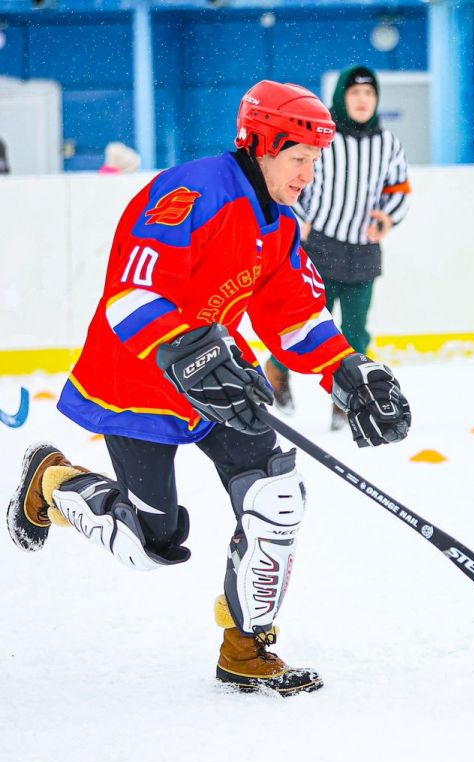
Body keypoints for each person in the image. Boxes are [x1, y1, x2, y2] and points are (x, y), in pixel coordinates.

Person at [6, 80, 411, 697]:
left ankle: (245, 647)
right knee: (150, 543)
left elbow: (293, 315)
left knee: (276, 496)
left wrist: (347, 371)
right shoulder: (189, 192)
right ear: (265, 143)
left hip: (221, 379)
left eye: (314, 161)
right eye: (300, 158)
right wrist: (180, 349)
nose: (308, 174)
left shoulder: (278, 223)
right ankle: (53, 481)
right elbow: (131, 295)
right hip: (139, 380)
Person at [266, 65, 412, 426]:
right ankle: (277, 368)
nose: (362, 100)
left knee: (356, 330)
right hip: (321, 247)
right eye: (355, 93)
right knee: (307, 324)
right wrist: (301, 216)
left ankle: (347, 399)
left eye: (369, 94)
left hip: (364, 248)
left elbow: (399, 189)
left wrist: (388, 218)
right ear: (340, 99)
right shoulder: (322, 139)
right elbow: (295, 176)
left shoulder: (388, 143)